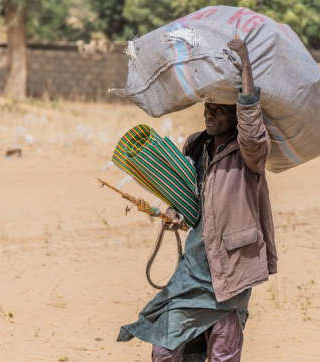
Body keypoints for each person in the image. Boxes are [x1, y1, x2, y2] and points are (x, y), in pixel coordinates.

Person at [117, 36, 277, 362]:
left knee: (222, 353)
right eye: (208, 107)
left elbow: (250, 123)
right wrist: (175, 210)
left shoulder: (250, 152)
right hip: (194, 266)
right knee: (164, 347)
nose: (210, 113)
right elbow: (186, 192)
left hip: (231, 269)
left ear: (236, 114)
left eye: (220, 108)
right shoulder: (196, 146)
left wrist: (245, 62)